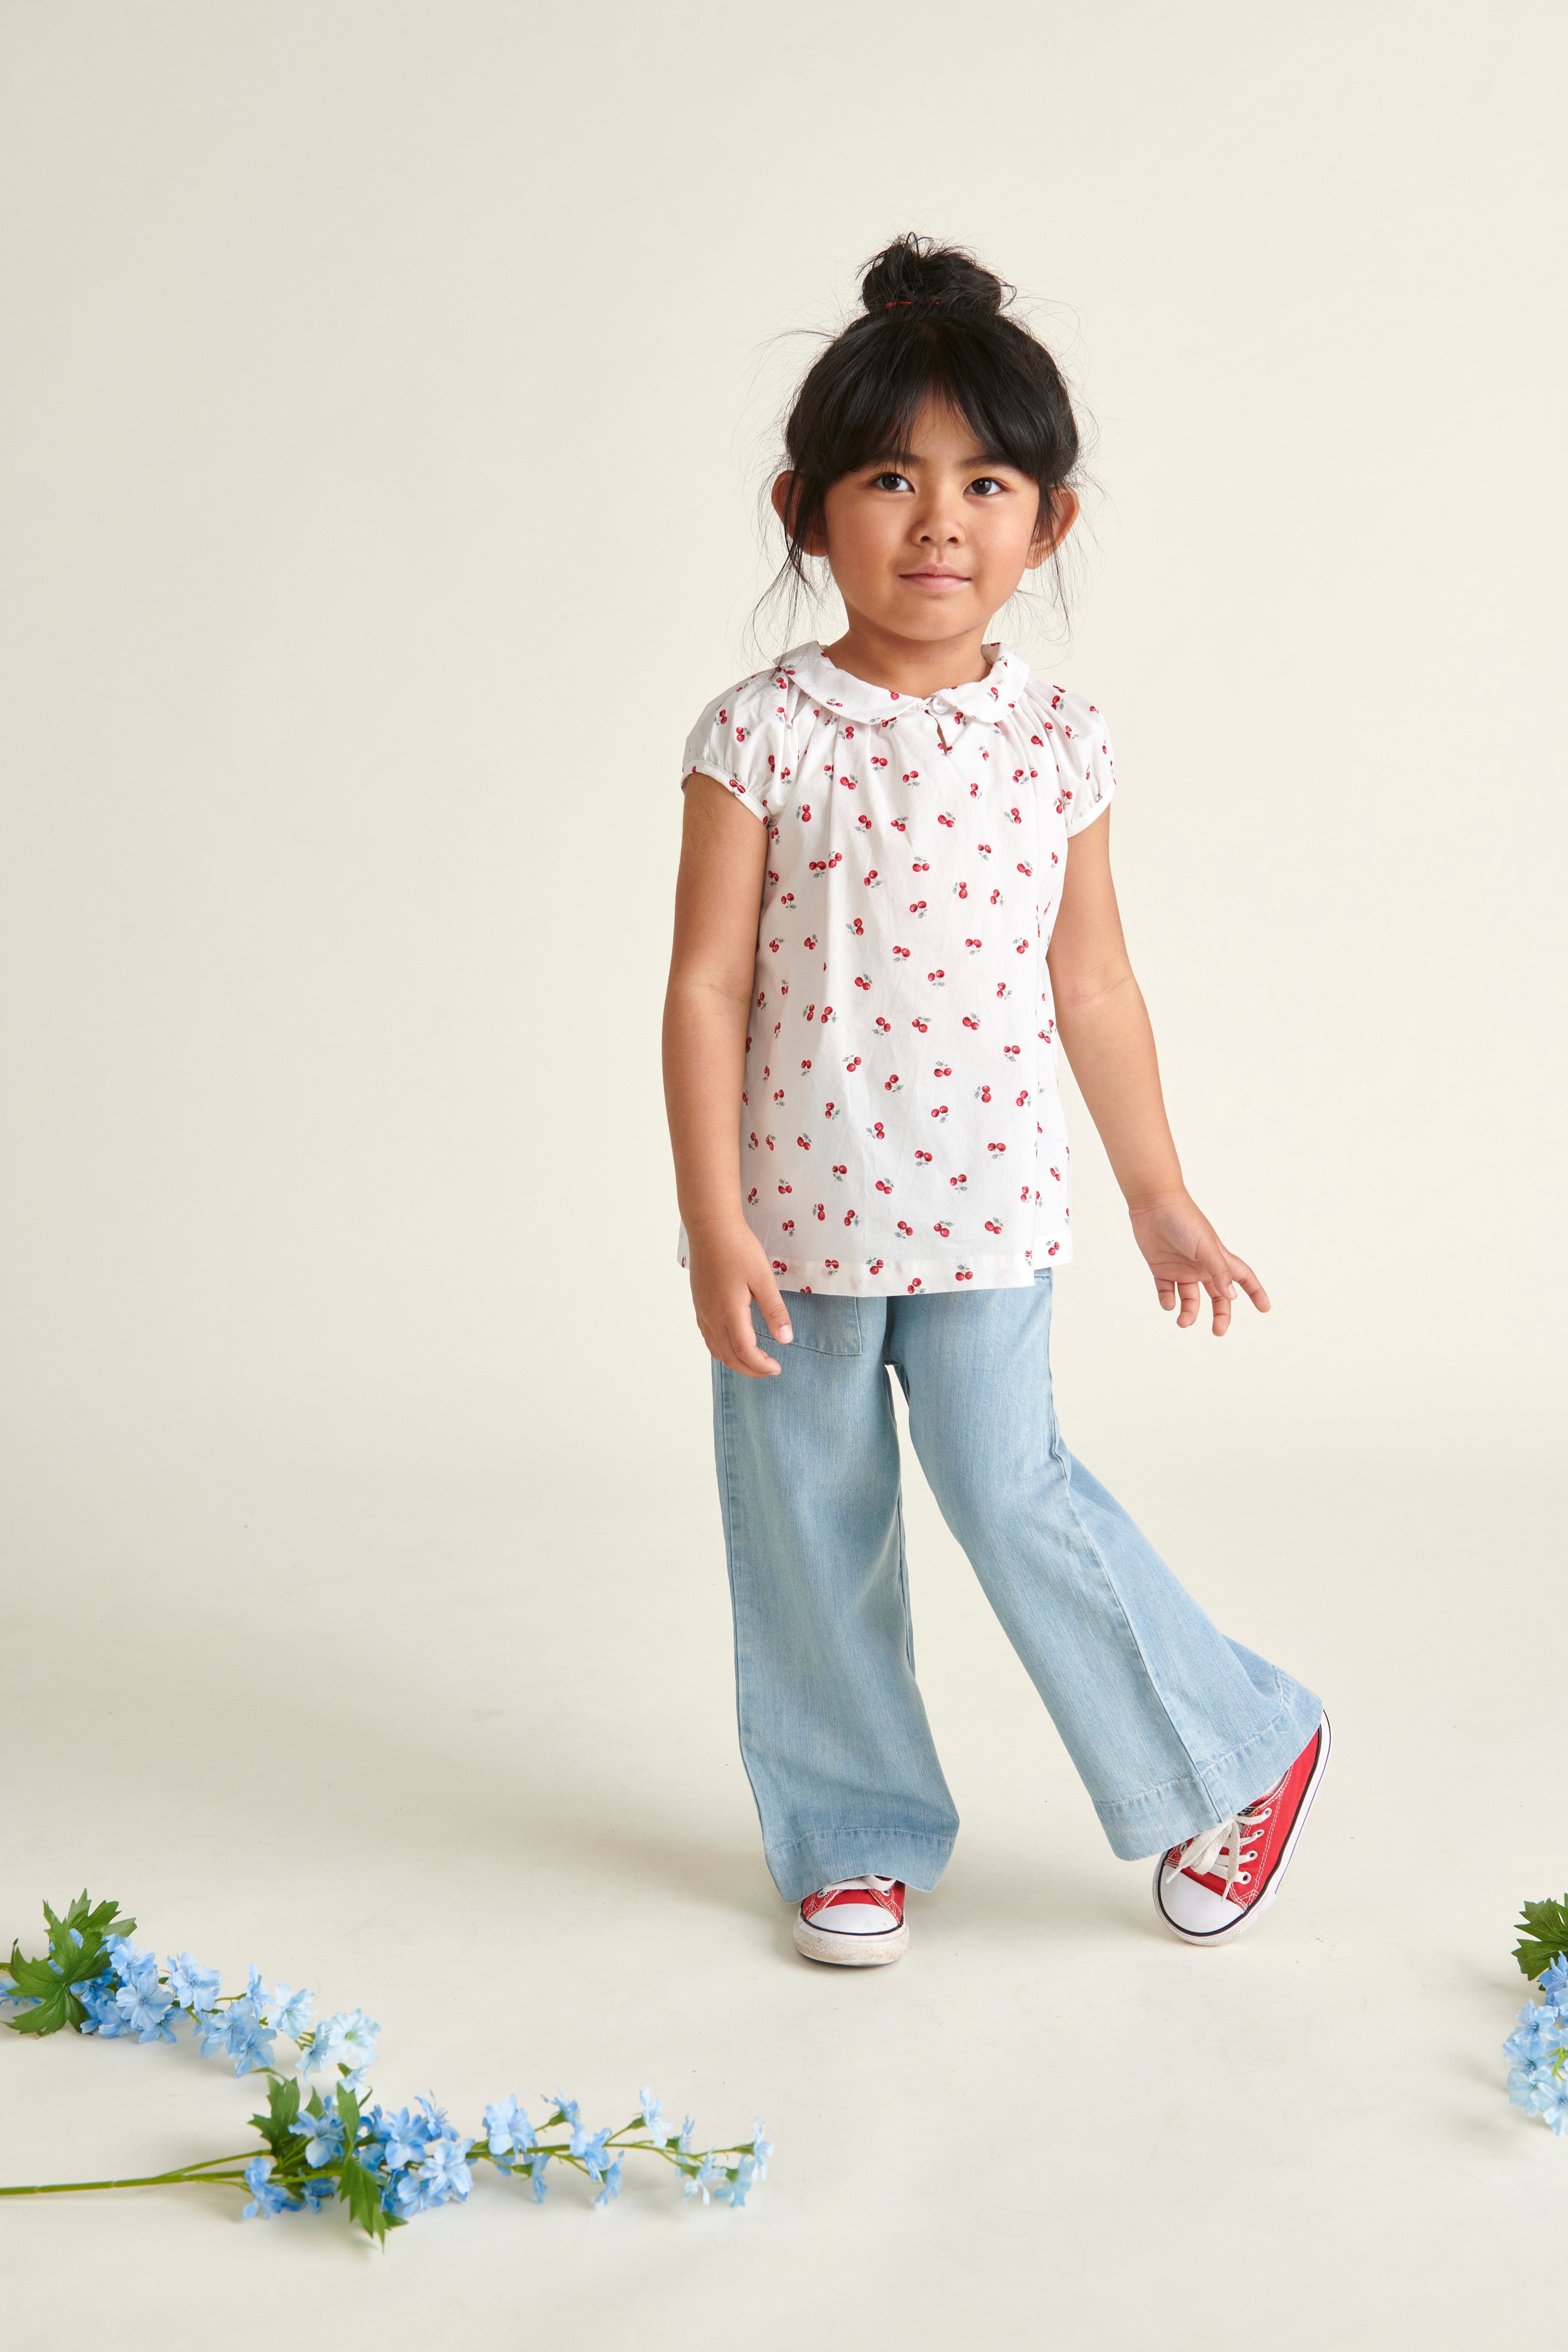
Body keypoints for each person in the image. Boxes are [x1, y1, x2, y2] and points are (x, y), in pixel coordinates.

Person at [660, 234, 1328, 1967]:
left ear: (1051, 525)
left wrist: (1159, 1190)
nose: (939, 517)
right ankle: (854, 1824)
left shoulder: (1058, 742)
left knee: (1007, 1487)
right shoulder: (759, 733)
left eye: (986, 480)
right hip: (791, 1227)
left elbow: (1092, 982)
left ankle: (1231, 1747)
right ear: (807, 509)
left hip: (988, 1212)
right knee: (806, 1522)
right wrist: (712, 1218)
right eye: (892, 477)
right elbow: (707, 986)